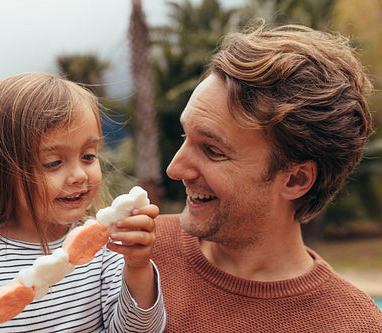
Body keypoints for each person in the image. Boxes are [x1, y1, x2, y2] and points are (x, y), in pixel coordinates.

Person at [151, 22, 382, 332]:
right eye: (185, 136)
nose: (175, 169)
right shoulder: (127, 253)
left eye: (212, 150)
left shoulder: (355, 325)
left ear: (295, 180)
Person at [0, 72, 166, 333]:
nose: (79, 174)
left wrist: (138, 269)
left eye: (88, 156)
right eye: (53, 163)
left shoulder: (105, 249)